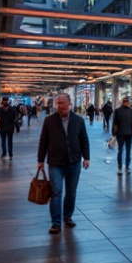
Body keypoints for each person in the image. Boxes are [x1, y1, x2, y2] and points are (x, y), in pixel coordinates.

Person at [37, 93, 90, 235]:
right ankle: (55, 223)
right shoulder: (50, 121)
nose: (59, 106)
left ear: (68, 103)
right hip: (55, 162)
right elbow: (43, 141)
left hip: (74, 162)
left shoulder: (78, 120)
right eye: (57, 103)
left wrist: (86, 157)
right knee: (56, 192)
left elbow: (84, 139)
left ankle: (67, 216)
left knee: (71, 193)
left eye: (61, 103)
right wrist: (40, 160)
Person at [112, 95, 132, 174]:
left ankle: (120, 168)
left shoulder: (117, 111)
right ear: (127, 102)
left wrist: (114, 133)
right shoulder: (131, 111)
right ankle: (127, 167)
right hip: (129, 134)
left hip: (120, 133)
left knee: (120, 150)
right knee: (128, 151)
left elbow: (115, 123)